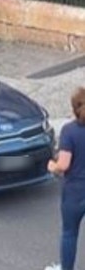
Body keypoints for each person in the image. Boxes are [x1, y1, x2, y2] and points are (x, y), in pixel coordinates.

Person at [45, 87, 85, 270]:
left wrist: (51, 166)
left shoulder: (69, 131)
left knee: (70, 232)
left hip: (75, 191)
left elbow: (63, 165)